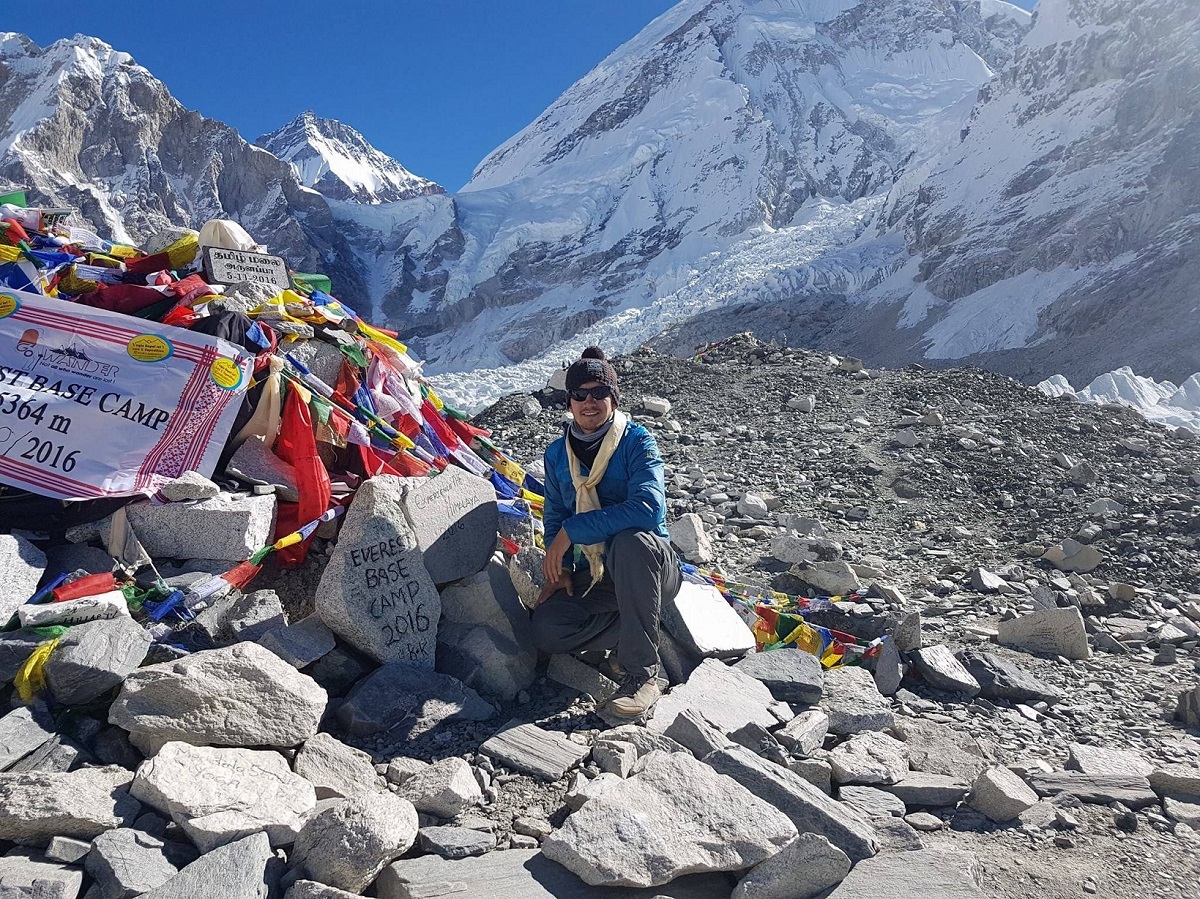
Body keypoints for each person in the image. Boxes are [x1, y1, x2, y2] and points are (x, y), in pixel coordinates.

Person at [529, 346, 681, 719]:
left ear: (614, 398)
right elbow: (555, 514)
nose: (589, 402)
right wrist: (561, 565)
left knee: (631, 541)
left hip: (651, 566)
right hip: (599, 576)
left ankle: (642, 674)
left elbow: (649, 510)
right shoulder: (557, 453)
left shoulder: (637, 441)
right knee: (547, 628)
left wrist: (573, 530)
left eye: (599, 393)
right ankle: (638, 628)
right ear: (569, 402)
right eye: (580, 394)